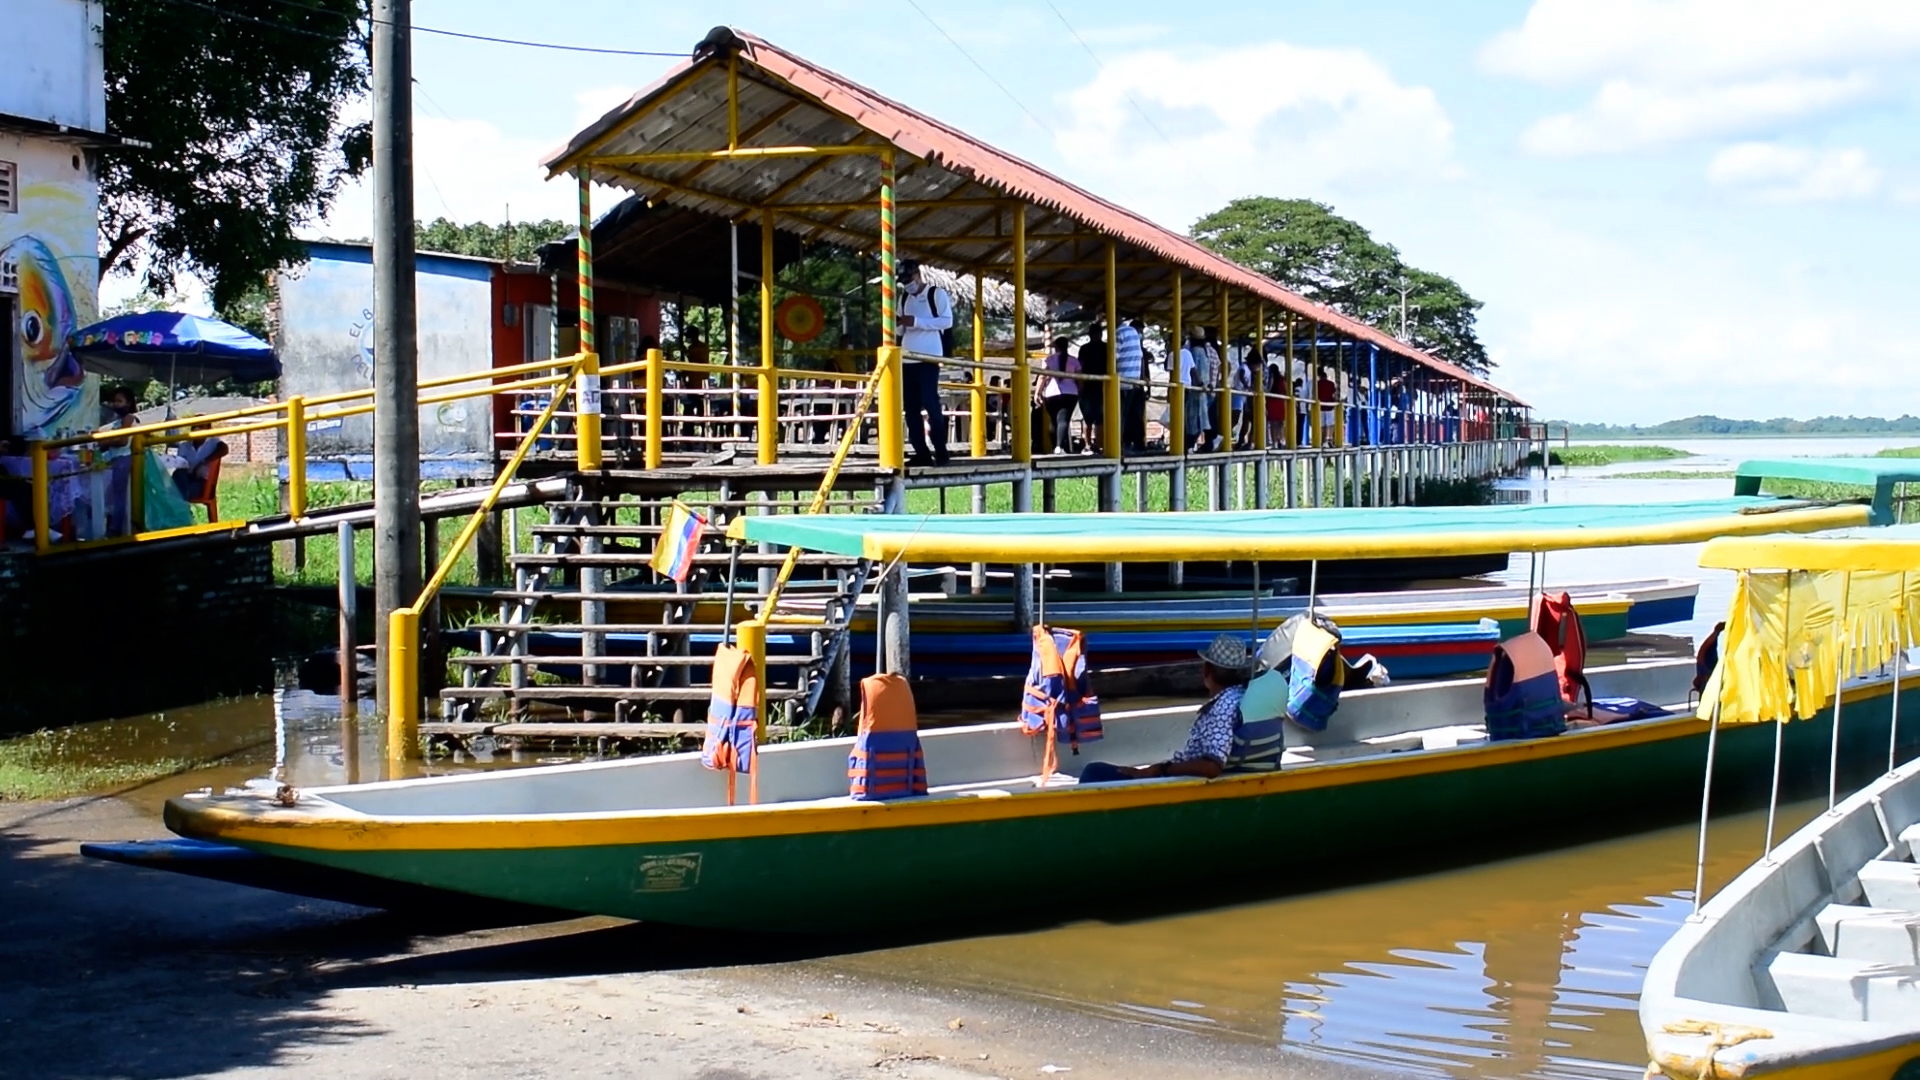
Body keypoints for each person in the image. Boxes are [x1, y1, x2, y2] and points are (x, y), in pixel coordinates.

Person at [1077, 634, 1252, 782]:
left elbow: (1212, 767)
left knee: (1093, 773)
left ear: (1207, 671)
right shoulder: (1239, 697)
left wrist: (1161, 769)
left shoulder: (1222, 709)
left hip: (1182, 781)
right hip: (1180, 774)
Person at [896, 259, 953, 466]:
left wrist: (917, 322)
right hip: (907, 357)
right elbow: (901, 329)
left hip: (929, 357)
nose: (907, 285)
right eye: (904, 282)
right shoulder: (904, 298)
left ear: (918, 275)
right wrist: (898, 324)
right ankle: (920, 451)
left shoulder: (935, 294)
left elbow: (947, 321)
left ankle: (941, 450)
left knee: (930, 403)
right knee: (910, 408)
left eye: (909, 280)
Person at [1035, 335, 1080, 455]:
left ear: (1056, 347)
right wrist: (1081, 390)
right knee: (1063, 419)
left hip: (1051, 393)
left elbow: (1042, 376)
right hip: (1070, 393)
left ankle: (1055, 445)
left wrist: (1037, 393)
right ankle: (1059, 447)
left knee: (1053, 421)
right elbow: (1080, 379)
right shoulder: (1074, 360)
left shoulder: (1049, 360)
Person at [1076, 323, 1108, 455]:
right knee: (1099, 418)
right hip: (1101, 385)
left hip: (1089, 385)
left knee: (1088, 418)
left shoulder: (1084, 349)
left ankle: (1089, 445)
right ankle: (1098, 445)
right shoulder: (1106, 348)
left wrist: (1081, 384)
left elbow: (1081, 367)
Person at [1115, 317, 1145, 452]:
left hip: (1122, 382)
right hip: (1135, 381)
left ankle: (1120, 445)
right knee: (1135, 417)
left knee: (1122, 416)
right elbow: (1141, 358)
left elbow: (1112, 358)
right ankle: (1138, 445)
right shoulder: (1133, 333)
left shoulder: (1118, 333)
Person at [1179, 327, 1211, 454]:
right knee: (1201, 417)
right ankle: (1196, 443)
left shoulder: (1192, 352)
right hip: (1202, 388)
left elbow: (1193, 370)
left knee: (1192, 419)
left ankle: (1188, 444)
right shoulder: (1204, 352)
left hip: (1194, 389)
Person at [171, 433, 227, 503]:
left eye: (200, 427)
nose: (197, 430)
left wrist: (204, 461)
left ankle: (181, 508)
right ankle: (181, 506)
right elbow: (179, 465)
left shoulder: (213, 442)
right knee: (177, 477)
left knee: (177, 492)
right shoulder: (184, 446)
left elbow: (224, 449)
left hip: (202, 484)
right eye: (194, 427)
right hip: (186, 479)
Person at [1317, 367, 1340, 448]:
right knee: (1330, 424)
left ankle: (1322, 440)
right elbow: (1334, 394)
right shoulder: (1331, 384)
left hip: (1320, 406)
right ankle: (1329, 439)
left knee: (1322, 424)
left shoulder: (1317, 384)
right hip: (1330, 406)